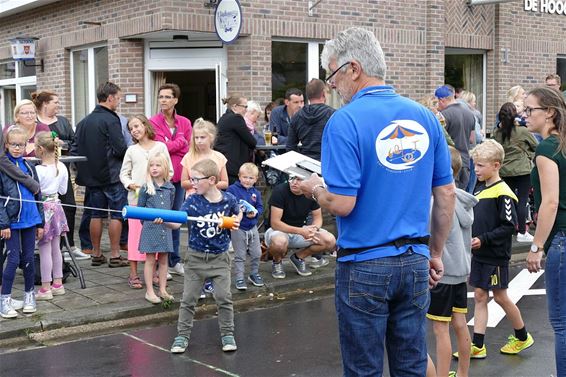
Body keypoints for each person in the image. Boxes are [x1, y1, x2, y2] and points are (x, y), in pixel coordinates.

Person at [298, 27, 455, 376]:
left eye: (334, 75)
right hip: (414, 259)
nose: (332, 86)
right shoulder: (425, 116)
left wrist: (313, 189)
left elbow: (341, 204)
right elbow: (445, 194)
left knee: (363, 369)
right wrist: (435, 253)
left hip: (365, 262)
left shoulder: (345, 121)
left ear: (354, 69)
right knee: (412, 365)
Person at [464, 139, 533, 360]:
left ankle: (522, 337)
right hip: (480, 253)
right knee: (480, 295)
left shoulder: (503, 192)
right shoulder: (480, 187)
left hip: (494, 254)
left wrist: (483, 239)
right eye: (475, 165)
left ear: (496, 165)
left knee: (501, 296)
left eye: (481, 165)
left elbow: (509, 226)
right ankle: (478, 345)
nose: (476, 170)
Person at [169, 158, 241, 354]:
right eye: (191, 179)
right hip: (195, 258)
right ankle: (182, 336)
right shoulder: (191, 200)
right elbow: (176, 223)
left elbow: (238, 214)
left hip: (220, 258)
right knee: (188, 299)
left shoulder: (228, 200)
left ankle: (228, 334)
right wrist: (164, 222)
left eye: (195, 179)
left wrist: (233, 221)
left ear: (211, 180)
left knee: (223, 297)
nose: (191, 183)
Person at [525, 87, 566, 376]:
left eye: (530, 110)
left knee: (562, 323)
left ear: (549, 112)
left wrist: (536, 246)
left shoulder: (547, 148)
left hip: (561, 241)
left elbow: (550, 202)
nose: (524, 116)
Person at [426, 147, 477, 377]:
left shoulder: (436, 201)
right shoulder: (463, 200)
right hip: (461, 268)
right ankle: (463, 373)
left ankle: (442, 374)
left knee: (439, 328)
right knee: (460, 322)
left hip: (442, 271)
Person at [73, 81, 128, 268]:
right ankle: (114, 255)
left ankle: (96, 254)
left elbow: (74, 150)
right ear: (110, 97)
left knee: (95, 215)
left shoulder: (83, 122)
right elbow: (120, 148)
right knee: (116, 215)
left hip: (91, 177)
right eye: (118, 98)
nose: (118, 102)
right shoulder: (111, 119)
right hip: (111, 176)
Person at [32, 90, 89, 261]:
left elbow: (74, 141)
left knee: (69, 206)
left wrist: (63, 144)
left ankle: (69, 246)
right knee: (43, 209)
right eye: (55, 102)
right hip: (42, 171)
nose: (58, 105)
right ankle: (42, 243)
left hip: (61, 170)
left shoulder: (63, 121)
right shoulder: (35, 122)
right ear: (45, 104)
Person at [120, 115, 172, 290]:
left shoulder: (161, 146)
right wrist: (129, 184)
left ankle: (154, 272)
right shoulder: (131, 150)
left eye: (136, 126)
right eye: (131, 129)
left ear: (145, 125)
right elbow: (123, 174)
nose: (134, 130)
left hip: (157, 202)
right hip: (136, 201)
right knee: (135, 238)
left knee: (156, 235)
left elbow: (169, 170)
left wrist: (160, 185)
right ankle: (133, 273)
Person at [0, 127, 44, 318]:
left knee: (28, 259)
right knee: (13, 260)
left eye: (21, 144)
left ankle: (29, 296)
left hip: (30, 220)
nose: (17, 148)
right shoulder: (3, 168)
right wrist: (4, 224)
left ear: (27, 146)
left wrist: (40, 222)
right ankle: (5, 300)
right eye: (13, 144)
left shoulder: (29, 167)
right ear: (6, 145)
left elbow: (38, 195)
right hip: (12, 222)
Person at [150, 83, 192, 277]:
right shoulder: (153, 122)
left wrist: (172, 144)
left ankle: (174, 260)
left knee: (175, 219)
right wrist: (178, 143)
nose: (164, 100)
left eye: (168, 97)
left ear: (176, 100)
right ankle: (160, 263)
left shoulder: (184, 122)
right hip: (162, 179)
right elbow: (160, 148)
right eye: (161, 97)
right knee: (160, 219)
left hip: (180, 177)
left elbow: (188, 149)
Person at [266, 176, 336, 279]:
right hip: (279, 230)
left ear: (307, 181)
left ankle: (298, 257)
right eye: (292, 179)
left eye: (299, 180)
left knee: (330, 240)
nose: (294, 182)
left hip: (301, 229)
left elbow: (318, 218)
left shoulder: (311, 193)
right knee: (279, 242)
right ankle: (277, 262)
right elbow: (275, 223)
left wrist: (314, 229)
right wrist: (301, 231)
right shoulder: (280, 191)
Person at [493, 103, 538, 243]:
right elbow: (536, 146)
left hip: (505, 171)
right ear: (514, 116)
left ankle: (509, 228)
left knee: (509, 201)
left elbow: (495, 150)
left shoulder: (497, 133)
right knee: (522, 200)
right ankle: (522, 232)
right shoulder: (522, 131)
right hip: (523, 170)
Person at [34, 131, 69, 301]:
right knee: (56, 248)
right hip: (57, 207)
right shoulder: (61, 166)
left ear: (40, 149)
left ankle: (45, 288)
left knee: (44, 249)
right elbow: (63, 190)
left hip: (44, 209)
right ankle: (58, 283)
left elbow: (34, 192)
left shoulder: (38, 170)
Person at [137, 152, 176, 304]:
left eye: (158, 165)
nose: (154, 168)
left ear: (165, 168)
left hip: (164, 228)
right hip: (150, 228)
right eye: (151, 165)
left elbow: (170, 208)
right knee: (150, 260)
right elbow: (141, 210)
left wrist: (165, 221)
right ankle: (149, 291)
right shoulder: (146, 188)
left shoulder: (170, 188)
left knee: (164, 259)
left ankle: (163, 289)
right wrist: (148, 223)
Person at [226, 163, 264, 290]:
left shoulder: (256, 193)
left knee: (257, 252)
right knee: (240, 254)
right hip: (238, 227)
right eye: (245, 177)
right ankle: (239, 277)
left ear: (256, 179)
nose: (247, 180)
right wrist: (238, 212)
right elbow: (229, 205)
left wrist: (256, 213)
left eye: (251, 178)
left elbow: (260, 207)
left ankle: (254, 273)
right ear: (239, 176)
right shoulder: (232, 189)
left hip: (252, 227)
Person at [436, 85, 476, 189]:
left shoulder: (443, 115)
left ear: (442, 100)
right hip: (466, 163)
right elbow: (472, 139)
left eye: (437, 102)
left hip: (451, 162)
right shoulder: (470, 113)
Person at [287, 78, 335, 161]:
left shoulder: (297, 117)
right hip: (327, 165)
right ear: (323, 94)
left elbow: (290, 147)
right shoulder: (333, 115)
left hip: (306, 166)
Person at [214, 94, 257, 184]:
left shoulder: (224, 117)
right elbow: (251, 141)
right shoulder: (236, 118)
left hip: (225, 164)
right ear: (235, 107)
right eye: (244, 106)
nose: (246, 109)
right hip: (233, 166)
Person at [181, 118, 229, 193]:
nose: (199, 141)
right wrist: (199, 183)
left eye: (202, 137)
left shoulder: (220, 157)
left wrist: (208, 184)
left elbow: (225, 183)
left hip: (213, 198)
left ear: (211, 138)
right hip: (194, 199)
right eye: (196, 138)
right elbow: (183, 183)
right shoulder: (188, 157)